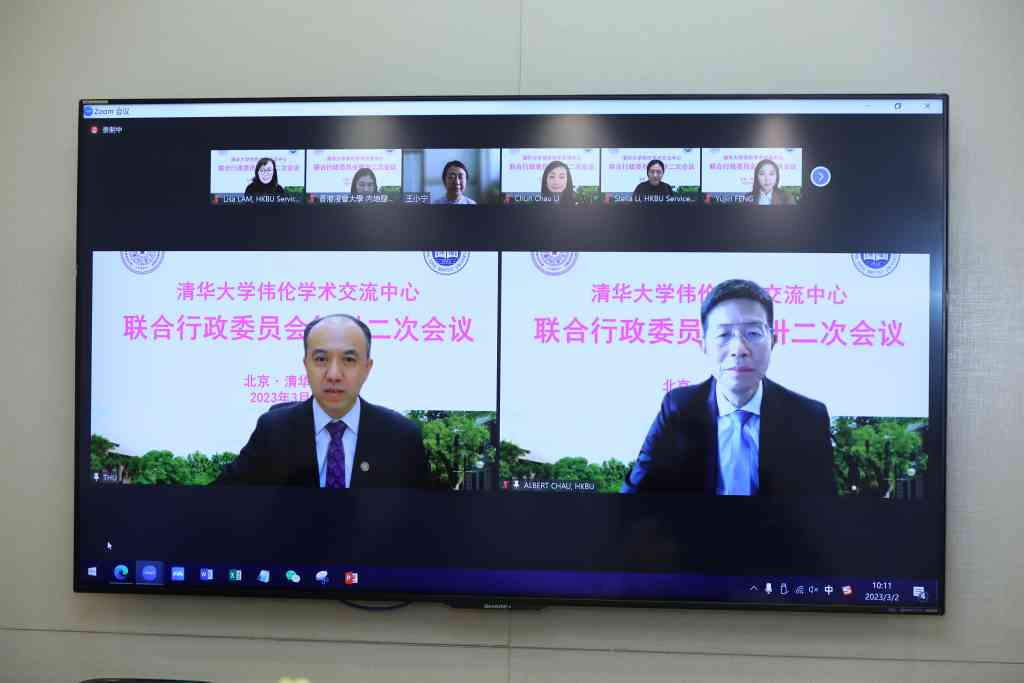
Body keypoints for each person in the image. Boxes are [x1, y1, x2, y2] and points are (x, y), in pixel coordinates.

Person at [621, 279, 834, 495]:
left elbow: (824, 505)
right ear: (703, 345)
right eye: (723, 334)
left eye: (753, 333)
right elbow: (633, 494)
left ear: (773, 341)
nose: (739, 349)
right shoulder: (678, 409)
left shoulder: (808, 417)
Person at [214, 314, 432, 488]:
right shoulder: (273, 431)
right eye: (321, 359)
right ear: (306, 365)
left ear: (367, 368)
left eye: (349, 359)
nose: (333, 374)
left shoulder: (401, 436)